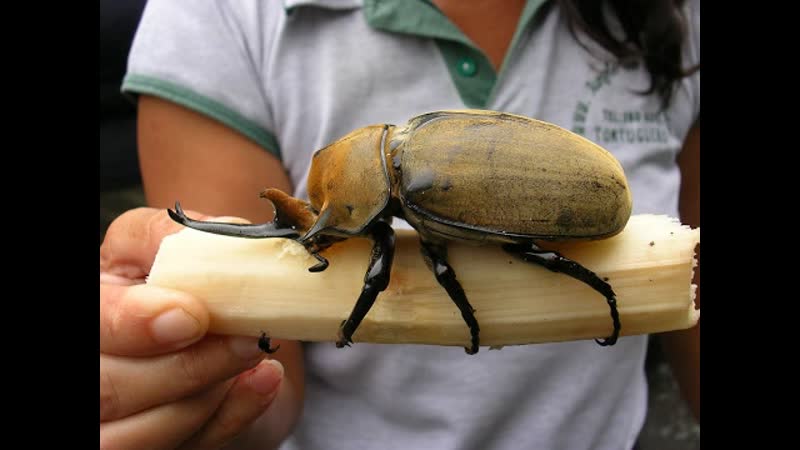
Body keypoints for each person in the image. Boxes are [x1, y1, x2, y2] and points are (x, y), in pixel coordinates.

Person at [101, 0, 700, 448]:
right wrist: (192, 395)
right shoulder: (217, 19)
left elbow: (397, 275)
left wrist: (396, 322)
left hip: (583, 213)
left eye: (329, 223)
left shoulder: (674, 16)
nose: (321, 235)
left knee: (525, 251)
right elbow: (268, 391)